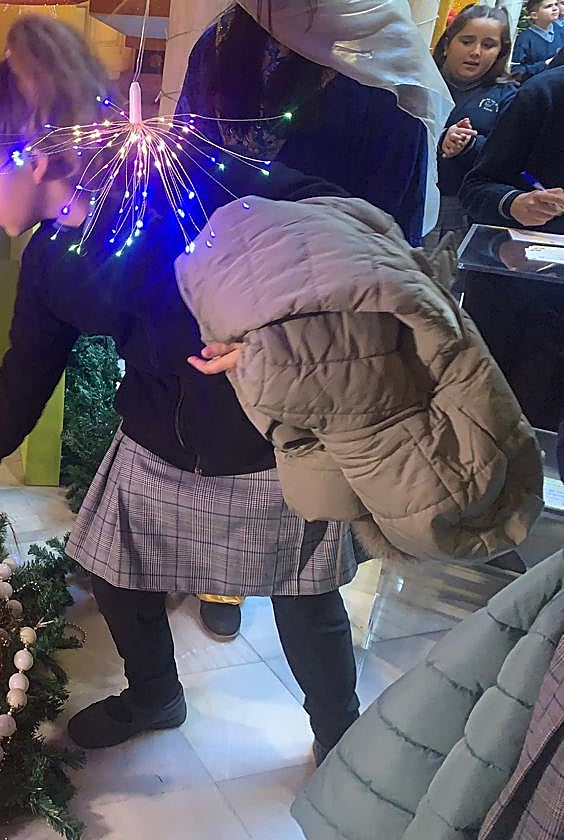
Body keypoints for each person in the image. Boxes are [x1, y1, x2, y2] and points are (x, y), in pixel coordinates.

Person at [0, 16, 362, 762]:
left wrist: (271, 331)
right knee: (115, 570)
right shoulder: (50, 261)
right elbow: (23, 382)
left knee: (305, 601)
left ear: (33, 161)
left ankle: (339, 735)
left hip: (265, 443)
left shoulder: (175, 190)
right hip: (155, 434)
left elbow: (327, 216)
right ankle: (155, 694)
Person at [172, 0, 452, 636]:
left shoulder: (382, 56)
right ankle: (217, 575)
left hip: (319, 307)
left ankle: (306, 605)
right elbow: (187, 155)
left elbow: (389, 224)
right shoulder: (225, 38)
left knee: (301, 473)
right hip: (219, 280)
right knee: (218, 441)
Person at [459, 65, 564, 474]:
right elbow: (476, 188)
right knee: (499, 444)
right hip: (518, 306)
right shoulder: (543, 95)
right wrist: (514, 204)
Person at [431, 4, 519, 245]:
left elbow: (507, 157)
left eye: (488, 45)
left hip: (458, 208)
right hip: (403, 195)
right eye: (467, 41)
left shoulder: (508, 96)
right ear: (447, 43)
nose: (476, 52)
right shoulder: (420, 80)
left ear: (501, 52)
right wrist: (439, 137)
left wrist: (469, 144)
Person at [512, 0, 562, 79]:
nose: (555, 8)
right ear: (534, 15)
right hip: (537, 84)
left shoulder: (561, 30)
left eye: (556, 4)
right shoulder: (524, 38)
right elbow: (516, 71)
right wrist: (545, 64)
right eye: (548, 6)